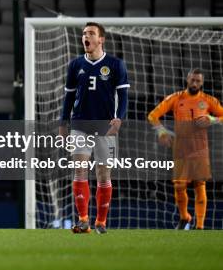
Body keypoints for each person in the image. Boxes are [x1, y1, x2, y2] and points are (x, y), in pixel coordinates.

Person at [59, 22, 130, 234]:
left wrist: (119, 118)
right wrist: (63, 122)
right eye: (83, 34)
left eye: (91, 33)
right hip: (79, 123)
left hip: (104, 126)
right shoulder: (75, 65)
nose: (85, 37)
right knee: (79, 170)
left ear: (101, 39)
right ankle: (83, 219)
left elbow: (124, 95)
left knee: (103, 174)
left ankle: (101, 221)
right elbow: (69, 96)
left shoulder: (116, 65)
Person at [147, 69, 223, 230]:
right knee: (179, 186)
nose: (195, 83)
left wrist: (212, 119)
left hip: (200, 149)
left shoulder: (208, 100)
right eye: (192, 80)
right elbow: (153, 115)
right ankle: (184, 217)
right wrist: (161, 132)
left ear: (202, 83)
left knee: (199, 185)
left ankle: (200, 226)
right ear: (187, 79)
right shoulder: (176, 98)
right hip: (181, 149)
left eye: (198, 81)